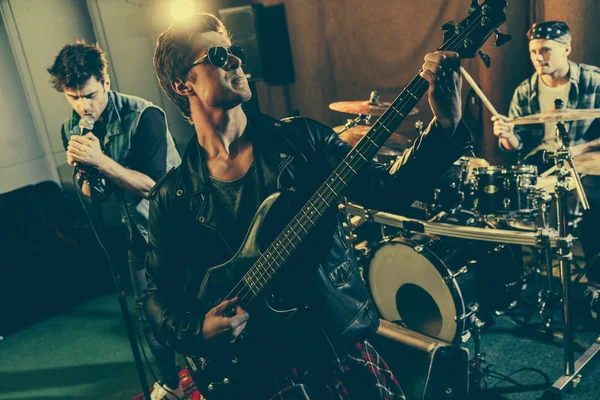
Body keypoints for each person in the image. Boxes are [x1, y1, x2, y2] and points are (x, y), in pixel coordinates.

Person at [145, 13, 471, 399]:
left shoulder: (301, 141)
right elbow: (155, 295)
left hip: (333, 349)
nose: (237, 61)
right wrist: (197, 331)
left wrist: (446, 126)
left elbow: (387, 191)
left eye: (235, 52)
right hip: (251, 372)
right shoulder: (174, 195)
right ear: (183, 83)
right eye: (218, 55)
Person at [47, 41, 183, 399]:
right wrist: (85, 170)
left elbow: (154, 187)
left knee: (193, 306)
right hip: (136, 236)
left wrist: (103, 161)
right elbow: (98, 194)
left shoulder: (145, 115)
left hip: (180, 229)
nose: (83, 106)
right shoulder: (71, 129)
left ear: (105, 80)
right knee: (148, 315)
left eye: (89, 95)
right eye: (73, 98)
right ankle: (171, 384)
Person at [492, 21, 600, 321]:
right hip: (543, 164)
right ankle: (523, 280)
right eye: (533, 52)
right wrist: (506, 134)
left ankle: (595, 287)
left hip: (587, 161)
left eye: (546, 51)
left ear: (566, 48)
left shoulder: (594, 79)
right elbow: (515, 146)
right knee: (505, 200)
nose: (539, 57)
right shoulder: (526, 90)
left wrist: (582, 149)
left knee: (596, 209)